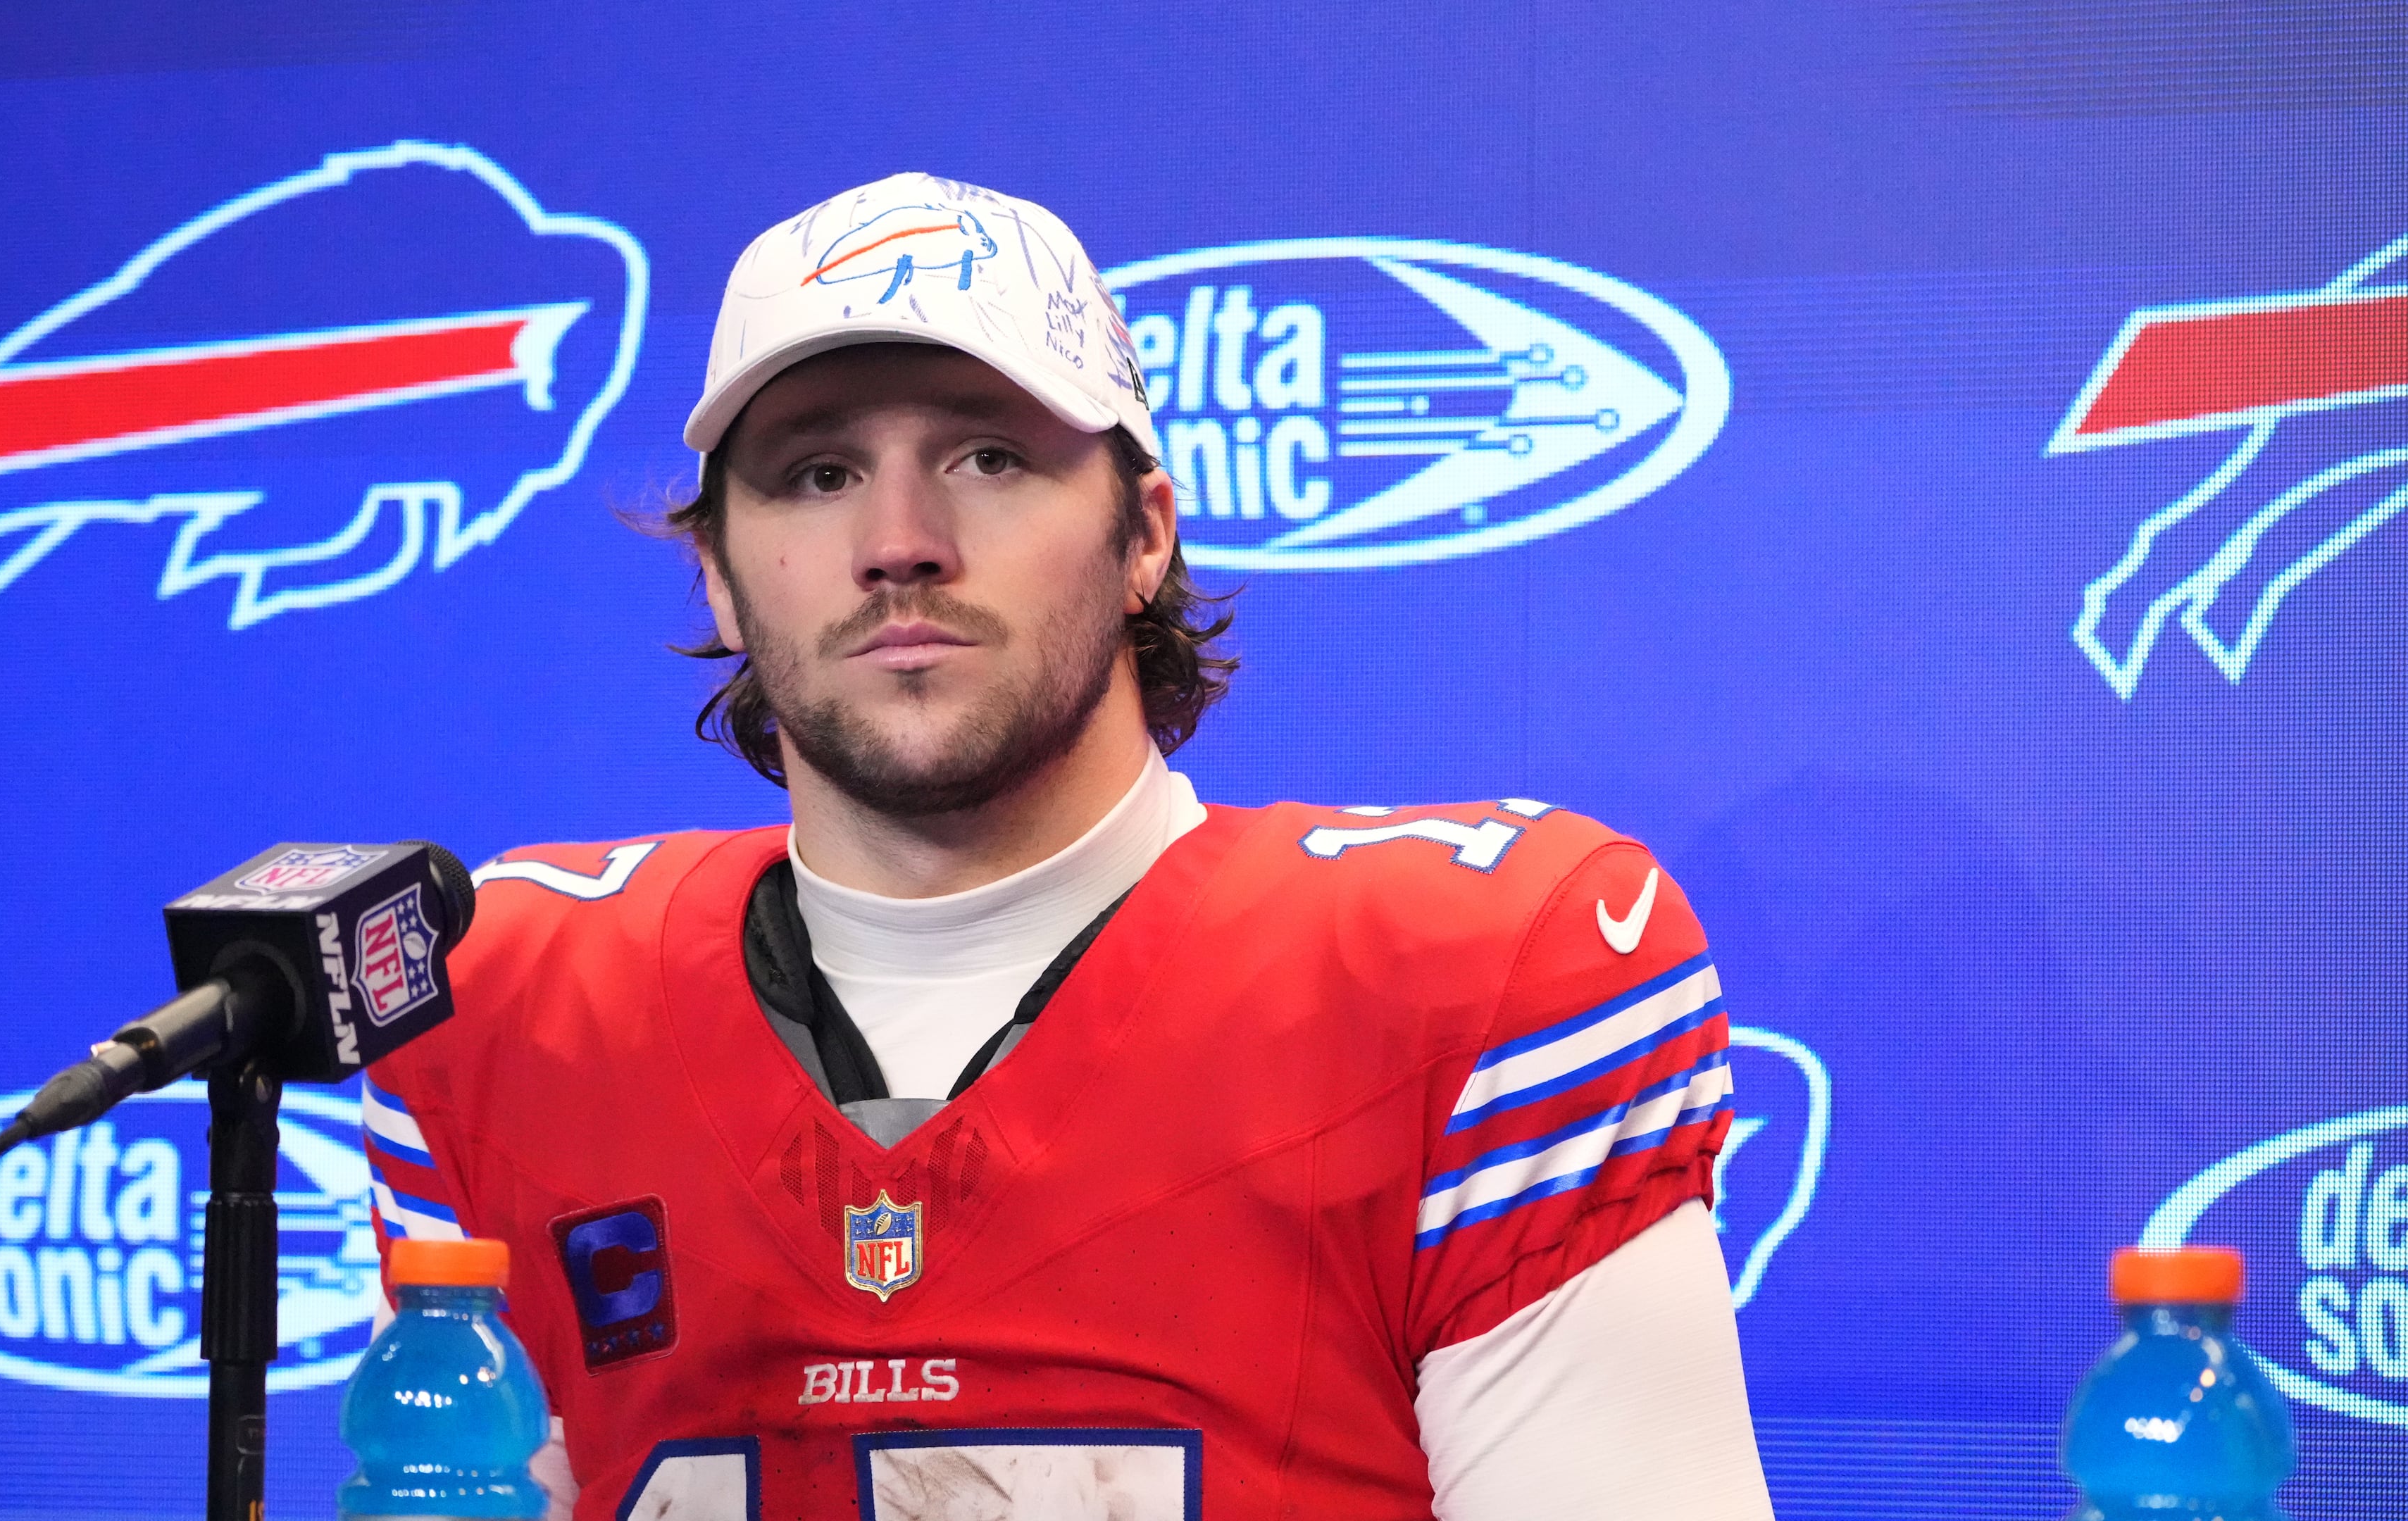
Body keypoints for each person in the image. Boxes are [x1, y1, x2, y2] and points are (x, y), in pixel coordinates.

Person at [363, 173, 1776, 1520]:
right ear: (718, 574)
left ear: (1144, 533)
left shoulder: (1466, 978)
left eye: (989, 457)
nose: (899, 542)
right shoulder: (506, 1002)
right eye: (815, 474)